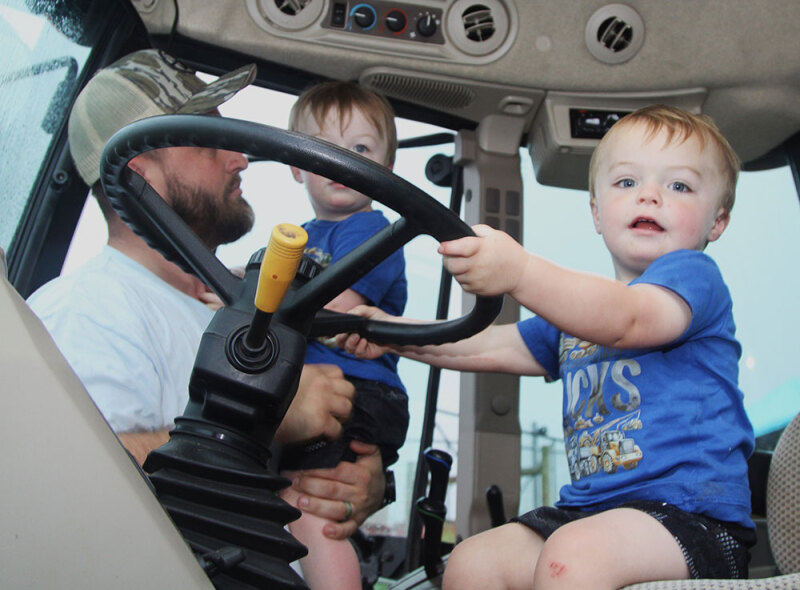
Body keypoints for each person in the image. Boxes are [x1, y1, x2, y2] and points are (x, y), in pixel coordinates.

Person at [339, 105, 756, 589]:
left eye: (679, 186)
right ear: (597, 213)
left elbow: (627, 319)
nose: (650, 195)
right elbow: (485, 346)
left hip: (689, 517)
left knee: (573, 554)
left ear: (717, 221)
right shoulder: (576, 320)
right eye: (626, 183)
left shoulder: (692, 279)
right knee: (473, 562)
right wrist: (390, 332)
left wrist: (518, 272)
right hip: (589, 511)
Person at [26, 49, 385, 541]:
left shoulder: (233, 308)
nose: (241, 158)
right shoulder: (88, 310)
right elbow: (60, 484)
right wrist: (266, 419)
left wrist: (351, 481)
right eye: (209, 142)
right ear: (140, 174)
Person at [279, 81, 409, 589]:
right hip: (324, 385)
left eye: (359, 150)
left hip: (358, 388)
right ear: (295, 165)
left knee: (309, 503)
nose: (341, 162)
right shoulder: (302, 237)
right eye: (324, 149)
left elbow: (341, 307)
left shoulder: (371, 229)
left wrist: (254, 294)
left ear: (384, 170)